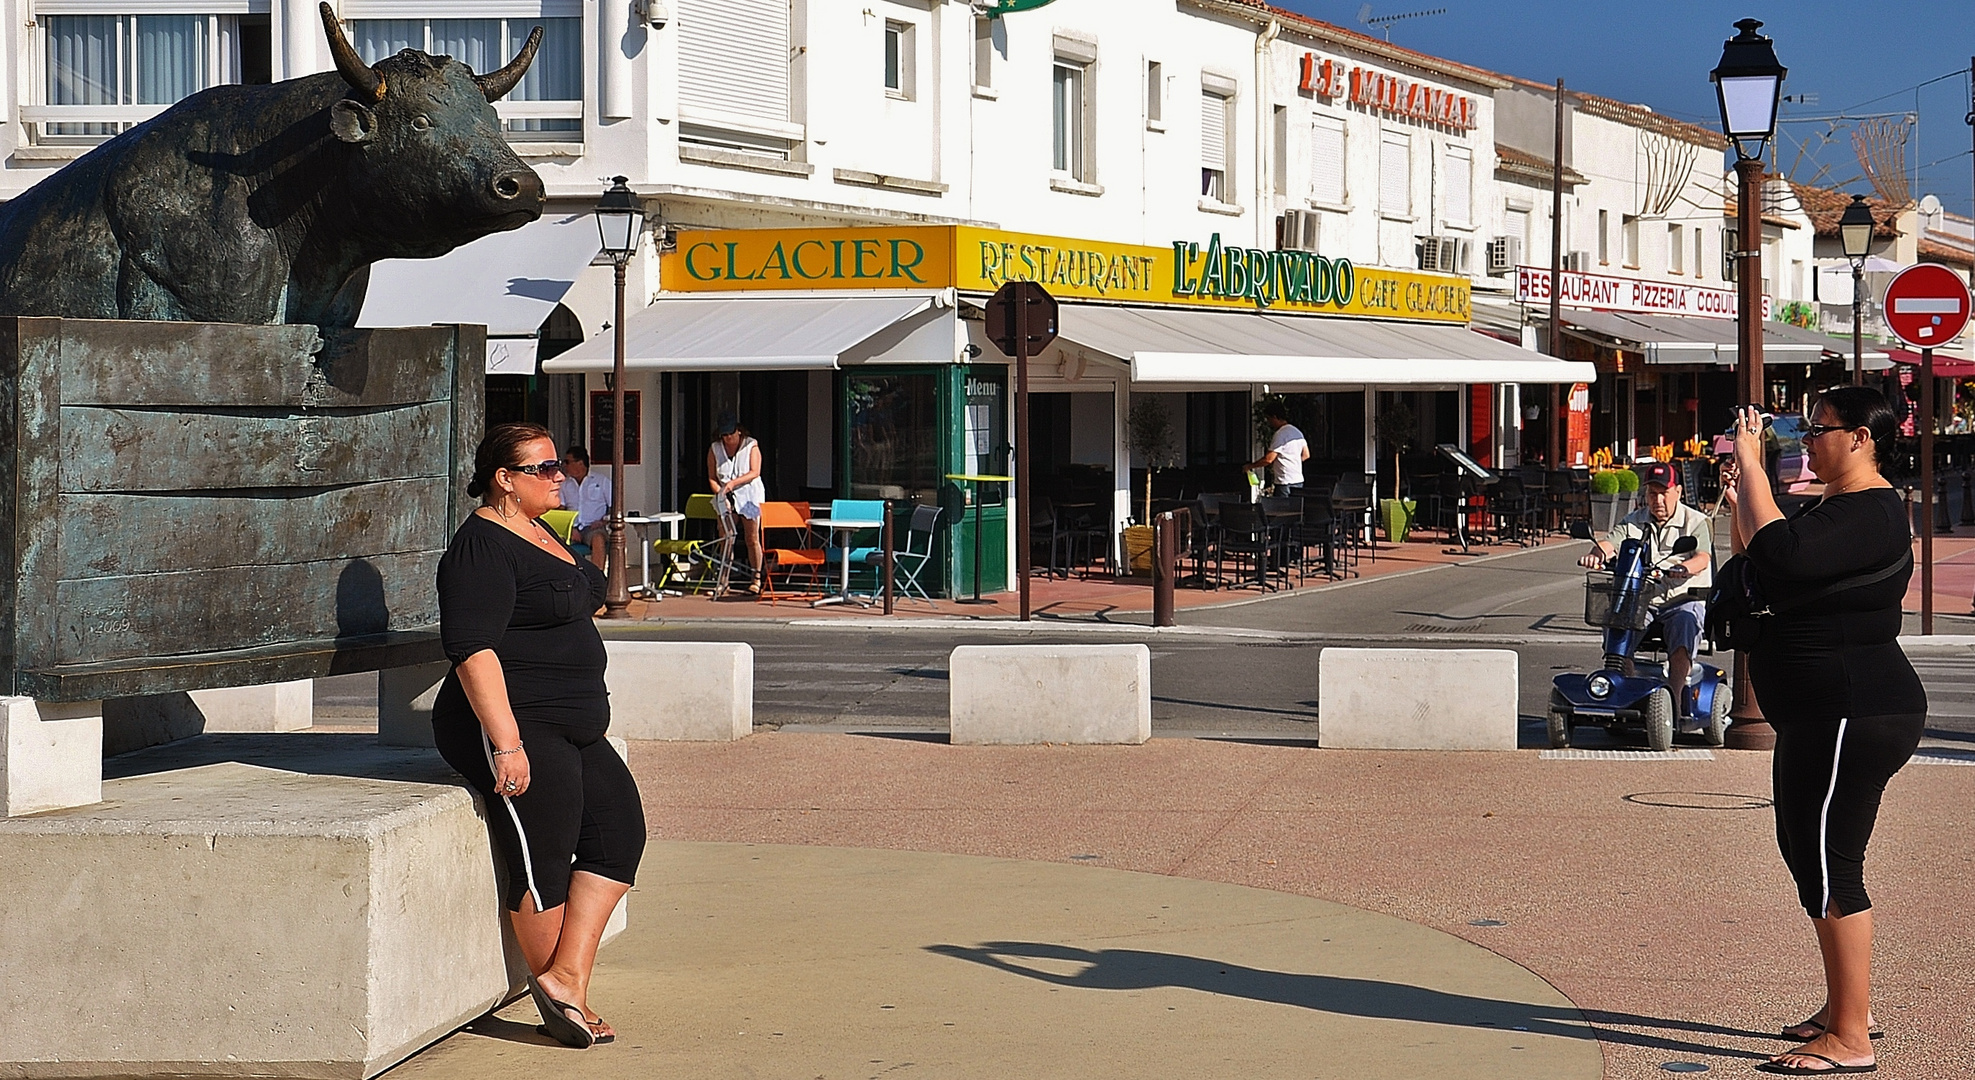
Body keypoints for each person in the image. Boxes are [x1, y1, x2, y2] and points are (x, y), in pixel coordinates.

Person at [1724, 388, 1922, 1076]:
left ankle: (1849, 1039)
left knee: (1829, 863)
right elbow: (1757, 560)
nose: (1806, 441)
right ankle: (1848, 1008)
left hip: (1851, 709)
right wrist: (1742, 491)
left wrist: (1752, 462)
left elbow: (1779, 553)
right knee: (1806, 853)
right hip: (1824, 712)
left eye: (1819, 430)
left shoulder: (1871, 511)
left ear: (1862, 439)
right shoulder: (1836, 512)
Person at [432, 422, 646, 1050]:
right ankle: (561, 999)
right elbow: (472, 649)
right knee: (543, 856)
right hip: (518, 725)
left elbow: (580, 602)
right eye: (545, 468)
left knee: (618, 833)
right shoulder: (480, 547)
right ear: (505, 478)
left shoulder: (541, 533)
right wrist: (506, 743)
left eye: (558, 466)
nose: (561, 476)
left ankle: (565, 980)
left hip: (574, 724)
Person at [1576, 461, 1712, 731]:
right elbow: (1611, 543)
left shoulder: (1696, 521)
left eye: (1664, 492)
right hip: (1643, 599)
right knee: (1618, 618)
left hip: (1680, 598)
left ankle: (1672, 701)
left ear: (1678, 492)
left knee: (1686, 619)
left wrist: (1682, 568)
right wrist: (1596, 554)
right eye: (1652, 493)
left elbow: (1703, 558)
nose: (1658, 499)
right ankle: (1621, 690)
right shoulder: (1634, 521)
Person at [706, 412, 765, 592]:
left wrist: (732, 484)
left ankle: (756, 578)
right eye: (724, 435)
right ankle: (723, 581)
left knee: (751, 537)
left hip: (749, 495)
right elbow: (712, 477)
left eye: (730, 434)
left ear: (738, 431)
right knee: (727, 537)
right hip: (725, 496)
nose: (728, 438)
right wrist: (721, 494)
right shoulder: (715, 449)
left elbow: (755, 472)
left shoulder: (751, 445)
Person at [557, 445, 611, 571]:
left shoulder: (601, 481)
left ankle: (597, 579)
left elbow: (613, 506)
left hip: (593, 527)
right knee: (555, 540)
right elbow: (561, 509)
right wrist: (570, 528)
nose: (564, 465)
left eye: (567, 462)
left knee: (598, 539)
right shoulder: (565, 484)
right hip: (572, 527)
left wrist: (602, 521)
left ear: (580, 463)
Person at [1249, 403, 1309, 496]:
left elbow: (1268, 459)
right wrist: (1293, 461)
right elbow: (1306, 455)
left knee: (1282, 509)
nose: (1269, 422)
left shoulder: (1280, 434)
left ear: (1275, 417)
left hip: (1284, 481)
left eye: (1269, 419)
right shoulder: (1297, 432)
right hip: (1298, 480)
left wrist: (1250, 466)